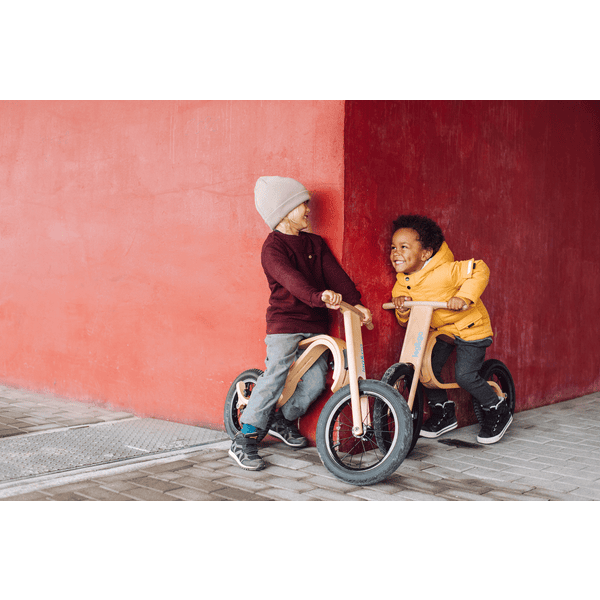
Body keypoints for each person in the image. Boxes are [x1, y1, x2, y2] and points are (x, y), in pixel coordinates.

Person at [229, 176, 372, 471]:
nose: (308, 209)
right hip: (285, 323)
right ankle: (245, 438)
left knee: (317, 381)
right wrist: (318, 296)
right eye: (302, 204)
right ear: (284, 209)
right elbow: (292, 281)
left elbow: (336, 275)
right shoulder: (273, 248)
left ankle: (279, 418)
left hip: (315, 322)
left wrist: (355, 303)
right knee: (277, 372)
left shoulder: (314, 243)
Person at [389, 214, 512, 444]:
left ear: (425, 253)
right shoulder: (401, 283)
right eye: (393, 247)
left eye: (404, 247)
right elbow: (404, 321)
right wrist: (402, 307)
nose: (396, 252)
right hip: (444, 330)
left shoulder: (446, 271)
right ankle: (443, 413)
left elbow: (480, 268)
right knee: (426, 369)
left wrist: (463, 296)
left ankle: (497, 408)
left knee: (464, 376)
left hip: (471, 328)